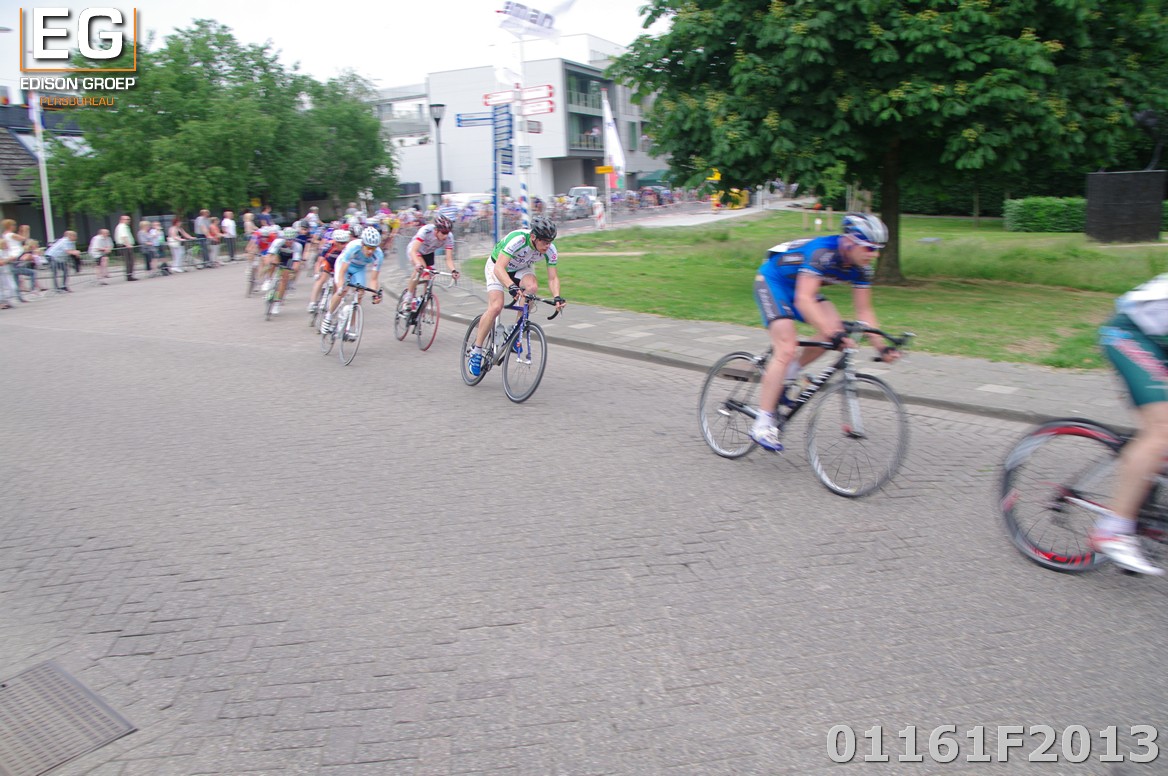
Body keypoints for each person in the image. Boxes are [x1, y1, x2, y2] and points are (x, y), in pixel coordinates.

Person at [749, 212, 900, 452]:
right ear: (849, 242)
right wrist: (832, 333)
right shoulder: (823, 252)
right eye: (870, 248)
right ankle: (762, 424)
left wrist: (881, 346)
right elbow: (804, 300)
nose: (874, 254)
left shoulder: (862, 269)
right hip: (773, 282)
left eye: (878, 249)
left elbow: (864, 311)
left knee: (836, 330)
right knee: (786, 348)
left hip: (801, 288)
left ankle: (789, 375)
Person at [1092, 277, 1168, 575]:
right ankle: (1113, 529)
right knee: (1161, 429)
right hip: (1130, 335)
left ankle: (1145, 513)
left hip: (1159, 340)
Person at [466, 216, 565, 377]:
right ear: (533, 237)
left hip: (519, 269)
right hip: (497, 267)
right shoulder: (518, 240)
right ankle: (476, 351)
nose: (548, 245)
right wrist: (510, 286)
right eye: (545, 241)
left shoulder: (550, 250)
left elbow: (553, 278)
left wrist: (557, 297)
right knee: (496, 306)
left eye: (550, 241)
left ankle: (514, 329)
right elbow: (499, 268)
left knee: (532, 288)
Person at [320, 226, 384, 334]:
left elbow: (373, 279)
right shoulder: (353, 247)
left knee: (360, 294)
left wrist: (375, 294)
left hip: (359, 269)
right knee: (342, 291)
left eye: (373, 248)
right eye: (368, 247)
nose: (370, 251)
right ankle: (328, 317)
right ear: (362, 244)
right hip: (344, 265)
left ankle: (350, 326)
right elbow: (342, 273)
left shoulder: (379, 255)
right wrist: (340, 287)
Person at [405, 213, 458, 309]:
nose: (446, 235)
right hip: (415, 250)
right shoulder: (426, 231)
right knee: (422, 269)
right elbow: (413, 251)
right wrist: (417, 264)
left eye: (448, 232)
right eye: (443, 232)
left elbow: (449, 258)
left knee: (429, 277)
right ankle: (408, 297)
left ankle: (423, 302)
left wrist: (453, 270)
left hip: (428, 253)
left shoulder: (449, 237)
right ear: (436, 230)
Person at [307, 228, 350, 313]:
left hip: (339, 266)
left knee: (337, 286)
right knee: (321, 279)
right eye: (341, 243)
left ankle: (332, 307)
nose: (344, 245)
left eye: (345, 243)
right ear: (335, 242)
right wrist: (317, 272)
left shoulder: (348, 248)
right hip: (328, 262)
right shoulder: (328, 246)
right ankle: (312, 303)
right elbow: (320, 260)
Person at [260, 227, 301, 315]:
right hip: (279, 255)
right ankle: (268, 280)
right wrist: (268, 265)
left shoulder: (297, 246)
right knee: (273, 262)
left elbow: (296, 263)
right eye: (287, 239)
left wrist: (293, 272)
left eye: (291, 240)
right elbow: (269, 255)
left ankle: (277, 303)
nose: (289, 242)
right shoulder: (278, 242)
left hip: (289, 259)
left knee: (284, 279)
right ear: (284, 238)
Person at [114, 214, 137, 280]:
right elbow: (124, 236)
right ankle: (129, 275)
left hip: (125, 245)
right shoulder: (122, 226)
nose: (128, 221)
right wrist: (128, 244)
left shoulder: (123, 226)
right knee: (129, 261)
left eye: (129, 219)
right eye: (127, 219)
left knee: (129, 260)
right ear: (122, 220)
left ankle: (129, 275)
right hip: (125, 245)